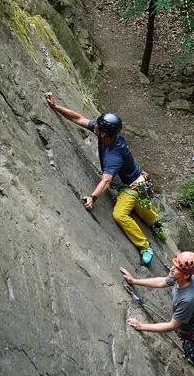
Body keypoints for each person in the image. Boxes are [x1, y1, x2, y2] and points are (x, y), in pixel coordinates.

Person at [45, 92, 160, 266]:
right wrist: (55, 106)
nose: (94, 126)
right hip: (136, 181)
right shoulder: (107, 134)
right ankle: (155, 221)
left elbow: (106, 181)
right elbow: (78, 119)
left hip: (132, 187)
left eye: (98, 126)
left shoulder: (114, 154)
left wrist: (93, 197)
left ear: (105, 133)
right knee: (144, 211)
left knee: (120, 215)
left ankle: (144, 246)